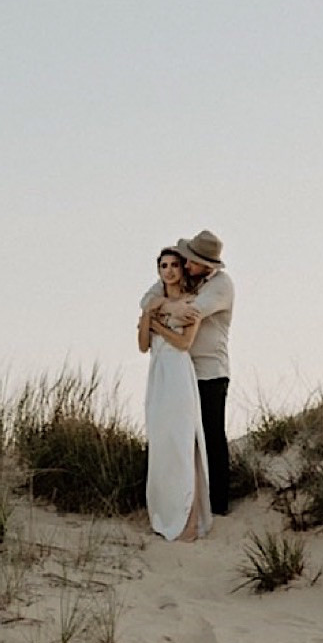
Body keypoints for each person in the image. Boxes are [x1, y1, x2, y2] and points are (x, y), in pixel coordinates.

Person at [153, 228, 234, 518]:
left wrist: (160, 312)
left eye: (190, 261)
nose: (184, 265)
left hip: (211, 371)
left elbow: (190, 314)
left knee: (212, 436)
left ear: (207, 264)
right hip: (185, 372)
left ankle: (219, 503)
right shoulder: (192, 281)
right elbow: (147, 300)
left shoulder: (221, 287)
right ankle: (190, 499)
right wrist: (163, 305)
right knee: (184, 437)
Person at [138, 247, 209, 541]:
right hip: (158, 376)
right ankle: (166, 516)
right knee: (162, 446)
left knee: (184, 445)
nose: (169, 270)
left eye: (174, 265)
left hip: (179, 374)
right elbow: (143, 345)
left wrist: (156, 325)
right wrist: (148, 318)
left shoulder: (192, 303)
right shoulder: (153, 303)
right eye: (163, 266)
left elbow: (184, 343)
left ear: (182, 270)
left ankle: (190, 523)